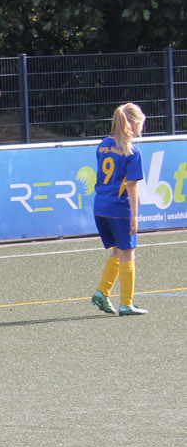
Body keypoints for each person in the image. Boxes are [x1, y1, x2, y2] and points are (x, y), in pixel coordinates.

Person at [91, 102, 149, 316]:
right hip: (119, 208)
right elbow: (132, 185)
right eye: (140, 123)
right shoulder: (131, 150)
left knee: (118, 250)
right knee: (128, 253)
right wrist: (134, 215)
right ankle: (126, 304)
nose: (141, 128)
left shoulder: (104, 144)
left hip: (100, 205)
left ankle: (102, 292)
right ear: (133, 123)